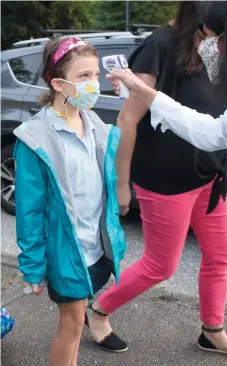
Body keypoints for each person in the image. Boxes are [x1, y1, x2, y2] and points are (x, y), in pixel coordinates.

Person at [105, 1, 227, 366]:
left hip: (211, 186)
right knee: (162, 263)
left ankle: (213, 331)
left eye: (214, 36)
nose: (209, 45)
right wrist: (143, 91)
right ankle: (99, 310)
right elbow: (212, 131)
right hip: (170, 182)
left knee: (218, 257)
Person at [13, 37, 128, 366]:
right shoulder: (35, 139)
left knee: (77, 321)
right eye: (83, 77)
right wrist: (33, 266)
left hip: (94, 251)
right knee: (74, 324)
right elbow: (29, 212)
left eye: (95, 75)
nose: (94, 84)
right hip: (65, 254)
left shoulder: (94, 126)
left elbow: (101, 193)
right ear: (58, 83)